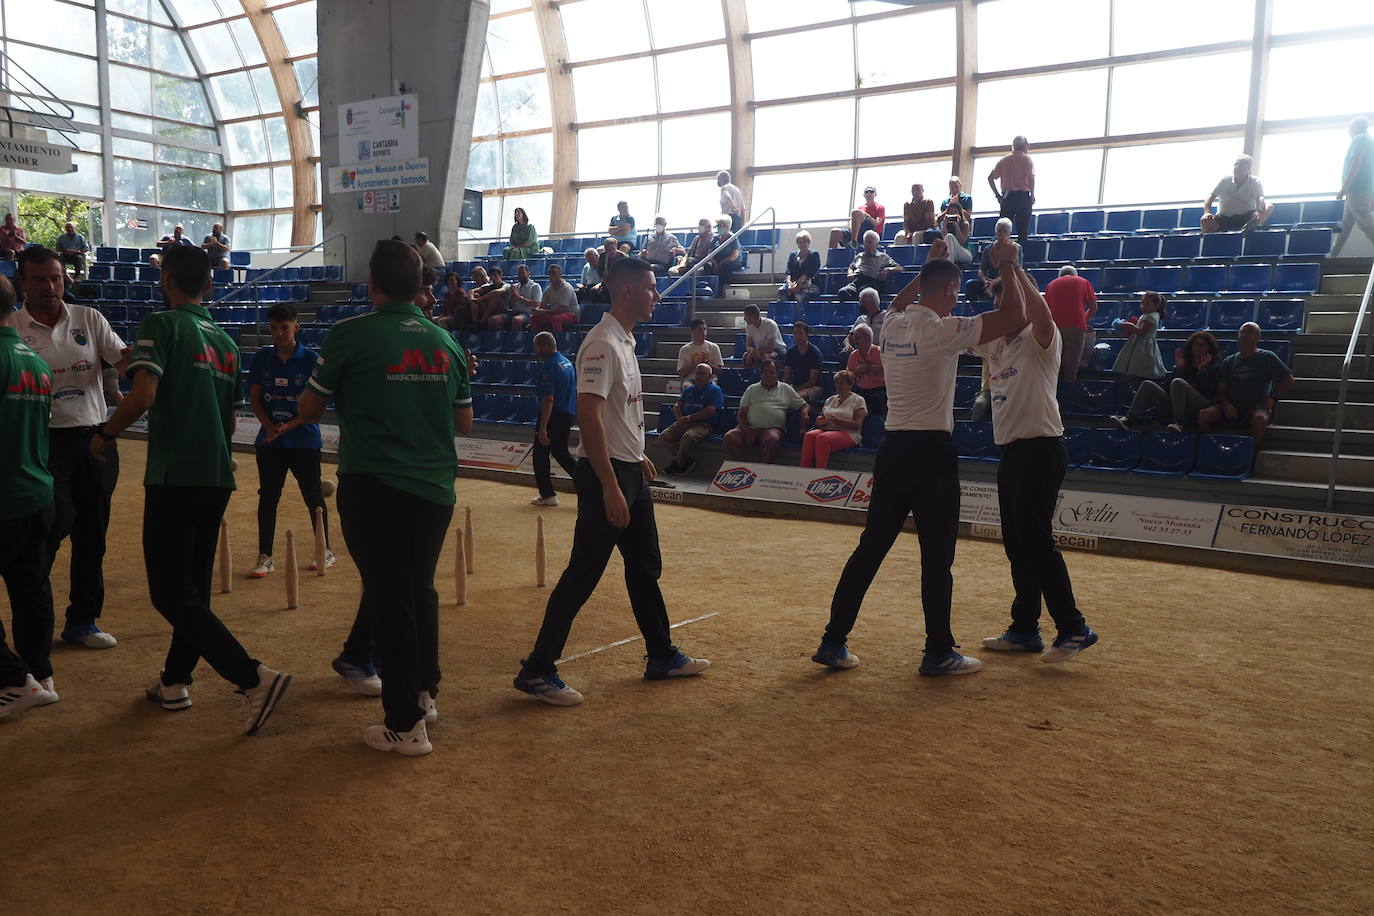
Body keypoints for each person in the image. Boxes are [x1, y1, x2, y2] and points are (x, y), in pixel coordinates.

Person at [93, 244, 291, 735]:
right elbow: (228, 415)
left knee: (168, 592)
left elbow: (143, 394)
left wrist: (104, 434)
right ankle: (176, 680)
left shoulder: (161, 326)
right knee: (193, 588)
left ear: (166, 283)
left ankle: (253, 678)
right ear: (208, 285)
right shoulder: (225, 343)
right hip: (215, 472)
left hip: (175, 473)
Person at [810, 251, 1027, 676]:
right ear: (948, 289)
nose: (957, 298)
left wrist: (929, 266)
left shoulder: (891, 326)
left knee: (870, 549)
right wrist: (1007, 266)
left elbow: (899, 301)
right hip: (930, 454)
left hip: (892, 450)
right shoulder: (942, 330)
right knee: (936, 557)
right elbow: (1015, 315)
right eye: (955, 290)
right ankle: (938, 651)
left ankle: (833, 640)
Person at [296, 239, 472, 756]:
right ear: (420, 287)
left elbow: (309, 408)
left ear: (371, 283)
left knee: (392, 599)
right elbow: (463, 420)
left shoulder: (350, 334)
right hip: (435, 487)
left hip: (374, 483)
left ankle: (404, 723)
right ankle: (425, 692)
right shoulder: (445, 342)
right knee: (419, 590)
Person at [514, 257, 710, 706]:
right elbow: (590, 417)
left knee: (645, 567)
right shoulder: (602, 343)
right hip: (608, 474)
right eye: (651, 287)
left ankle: (661, 654)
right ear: (626, 292)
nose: (657, 295)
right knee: (583, 572)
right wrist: (609, 484)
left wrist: (637, 455)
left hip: (628, 469)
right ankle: (538, 669)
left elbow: (619, 414)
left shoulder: (624, 341)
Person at [973, 248, 1099, 663]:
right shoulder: (995, 345)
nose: (1003, 311)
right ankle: (1025, 628)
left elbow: (1042, 314)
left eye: (1010, 304)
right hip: (1011, 453)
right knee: (1016, 543)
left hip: (1041, 450)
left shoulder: (1041, 338)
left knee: (1036, 542)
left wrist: (1012, 266)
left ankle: (1073, 626)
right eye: (999, 305)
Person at [3, 247, 127, 650]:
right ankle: (36, 622)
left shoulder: (89, 318)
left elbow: (122, 361)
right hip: (44, 444)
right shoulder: (13, 325)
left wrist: (146, 370)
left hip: (95, 439)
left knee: (93, 534)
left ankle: (83, 621)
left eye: (55, 278)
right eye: (39, 279)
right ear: (22, 283)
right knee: (49, 533)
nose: (50, 287)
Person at [0, 273, 60, 718]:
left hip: (5, 497)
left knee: (30, 591)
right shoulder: (33, 361)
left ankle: (15, 679)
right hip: (35, 492)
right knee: (31, 591)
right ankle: (39, 673)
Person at [244, 303, 332, 579]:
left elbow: (316, 407)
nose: (279, 333)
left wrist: (289, 425)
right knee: (268, 498)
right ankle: (265, 557)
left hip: (304, 441)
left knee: (313, 496)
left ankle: (325, 551)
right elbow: (255, 400)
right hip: (269, 442)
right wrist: (270, 427)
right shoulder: (261, 358)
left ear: (297, 327)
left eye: (284, 327)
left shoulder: (311, 360)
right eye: (273, 328)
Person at [1196, 322, 1294, 449]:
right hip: (1230, 405)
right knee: (1204, 415)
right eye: (1242, 332)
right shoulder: (1229, 361)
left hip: (1256, 406)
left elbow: (1288, 379)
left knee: (1260, 420)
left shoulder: (1267, 357)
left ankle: (1248, 457)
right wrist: (1226, 405)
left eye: (1249, 332)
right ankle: (1205, 452)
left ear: (1258, 336)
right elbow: (1221, 389)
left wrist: (1272, 398)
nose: (1245, 335)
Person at [1111, 331, 1222, 432]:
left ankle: (1179, 423)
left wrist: (1202, 371)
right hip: (1176, 405)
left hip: (1199, 406)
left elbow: (1210, 392)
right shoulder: (1184, 365)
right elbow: (1167, 388)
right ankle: (1128, 420)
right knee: (1148, 384)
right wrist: (1179, 369)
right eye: (1196, 344)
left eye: (1202, 345)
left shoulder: (1214, 367)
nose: (1198, 348)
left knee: (1178, 382)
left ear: (1209, 348)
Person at [724, 358, 808, 463]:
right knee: (730, 437)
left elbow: (804, 405)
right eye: (766, 372)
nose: (769, 375)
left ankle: (762, 471)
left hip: (772, 429)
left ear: (777, 374)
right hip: (749, 428)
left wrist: (804, 413)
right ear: (761, 374)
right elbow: (742, 413)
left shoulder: (786, 389)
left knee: (772, 439)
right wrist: (747, 430)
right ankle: (741, 468)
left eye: (772, 372)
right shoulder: (751, 389)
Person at [530, 331, 577, 507]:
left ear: (544, 346)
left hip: (553, 415)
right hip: (567, 413)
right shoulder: (566, 363)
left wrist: (543, 427)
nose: (534, 350)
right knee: (561, 452)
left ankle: (548, 494)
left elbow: (548, 399)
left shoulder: (549, 366)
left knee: (540, 455)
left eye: (536, 346)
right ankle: (588, 488)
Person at [660, 362, 723, 475]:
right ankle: (684, 461)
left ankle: (677, 464)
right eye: (697, 373)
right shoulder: (689, 389)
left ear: (709, 376)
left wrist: (689, 418)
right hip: (683, 421)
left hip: (703, 425)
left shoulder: (715, 390)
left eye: (702, 373)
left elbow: (710, 410)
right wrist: (680, 419)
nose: (698, 376)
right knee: (664, 436)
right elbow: (678, 405)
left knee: (688, 437)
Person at [802, 370, 867, 469]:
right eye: (837, 383)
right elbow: (820, 420)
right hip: (827, 429)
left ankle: (819, 472)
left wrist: (837, 421)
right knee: (809, 435)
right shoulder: (830, 399)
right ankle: (804, 470)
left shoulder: (858, 400)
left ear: (850, 385)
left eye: (842, 383)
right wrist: (820, 422)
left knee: (822, 438)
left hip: (849, 433)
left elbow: (857, 425)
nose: (839, 385)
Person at [1044, 265, 1097, 381]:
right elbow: (1093, 307)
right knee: (1072, 368)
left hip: (1055, 327)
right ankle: (1069, 395)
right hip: (1076, 327)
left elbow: (1046, 310)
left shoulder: (1051, 285)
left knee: (1055, 366)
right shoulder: (1083, 282)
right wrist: (1084, 320)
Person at [1332, 115, 1374, 258]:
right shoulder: (1370, 141)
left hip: (1356, 189)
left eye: (1350, 127)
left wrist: (1344, 187)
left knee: (1366, 223)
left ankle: (1331, 257)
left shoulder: (1359, 140)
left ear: (1355, 127)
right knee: (1344, 228)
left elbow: (1356, 163)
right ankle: (1331, 257)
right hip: (1363, 190)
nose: (1348, 130)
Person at [1201, 154, 1273, 233]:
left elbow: (1260, 198)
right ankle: (1209, 243)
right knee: (1205, 220)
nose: (1237, 167)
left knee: (1269, 206)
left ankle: (1253, 226)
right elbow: (1210, 197)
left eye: (1241, 165)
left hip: (1247, 217)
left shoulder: (1255, 182)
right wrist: (1207, 213)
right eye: (1236, 164)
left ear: (1248, 169)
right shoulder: (1225, 180)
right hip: (1224, 217)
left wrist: (1259, 211)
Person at [988, 135, 1035, 244]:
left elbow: (990, 178)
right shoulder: (1027, 159)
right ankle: (1020, 256)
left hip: (1007, 196)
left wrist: (997, 195)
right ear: (1024, 146)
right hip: (1023, 196)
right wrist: (1032, 195)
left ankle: (1002, 254)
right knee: (1022, 231)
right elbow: (1031, 179)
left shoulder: (1004, 160)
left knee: (1003, 229)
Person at [1112, 291, 1167, 381]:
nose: (1143, 306)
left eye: (1147, 304)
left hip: (1144, 345)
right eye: (1142, 303)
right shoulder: (1148, 315)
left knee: (1140, 365)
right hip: (1140, 342)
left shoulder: (1151, 317)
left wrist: (1130, 325)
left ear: (1156, 306)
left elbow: (1142, 332)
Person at [837, 230, 899, 302]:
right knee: (843, 292)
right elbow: (851, 267)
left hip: (872, 282)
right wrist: (850, 273)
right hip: (856, 281)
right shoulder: (859, 256)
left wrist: (888, 269)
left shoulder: (883, 257)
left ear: (876, 244)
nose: (867, 244)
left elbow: (899, 268)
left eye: (870, 242)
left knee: (864, 293)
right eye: (865, 242)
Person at [846, 322, 886, 418]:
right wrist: (857, 372)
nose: (855, 341)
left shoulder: (880, 352)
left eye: (858, 338)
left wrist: (871, 369)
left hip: (879, 388)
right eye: (854, 338)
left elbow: (890, 369)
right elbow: (847, 378)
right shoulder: (853, 355)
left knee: (877, 399)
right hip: (861, 388)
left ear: (868, 338)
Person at [830, 186, 886, 250]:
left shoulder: (880, 207)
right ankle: (832, 257)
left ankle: (854, 242)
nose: (869, 193)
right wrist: (851, 228)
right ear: (864, 195)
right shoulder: (860, 208)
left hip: (871, 232)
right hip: (857, 232)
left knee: (856, 213)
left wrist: (866, 216)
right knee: (835, 232)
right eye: (867, 192)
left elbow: (876, 223)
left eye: (871, 192)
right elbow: (850, 224)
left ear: (875, 194)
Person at [529, 263, 579, 333]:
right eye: (549, 273)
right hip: (554, 313)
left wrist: (545, 312)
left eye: (553, 273)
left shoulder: (566, 288)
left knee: (556, 319)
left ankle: (558, 340)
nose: (551, 275)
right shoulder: (548, 289)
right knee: (534, 318)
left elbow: (563, 309)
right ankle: (538, 340)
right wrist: (536, 311)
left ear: (560, 274)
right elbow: (542, 305)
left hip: (571, 314)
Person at [784, 321, 824, 402]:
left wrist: (796, 390)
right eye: (795, 333)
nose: (797, 336)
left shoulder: (814, 353)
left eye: (800, 333)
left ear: (806, 334)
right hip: (795, 386)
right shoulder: (790, 352)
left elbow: (813, 381)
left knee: (796, 397)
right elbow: (786, 376)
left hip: (814, 387)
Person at [778, 230, 821, 304]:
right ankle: (785, 313)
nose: (802, 244)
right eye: (800, 242)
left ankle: (799, 314)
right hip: (793, 282)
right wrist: (789, 284)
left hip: (809, 284)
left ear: (808, 243)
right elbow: (788, 271)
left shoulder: (814, 255)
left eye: (805, 242)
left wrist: (798, 285)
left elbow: (809, 272)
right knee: (781, 291)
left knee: (799, 296)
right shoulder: (792, 255)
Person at [503, 263, 542, 331]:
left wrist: (519, 298)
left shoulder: (535, 286)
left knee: (516, 320)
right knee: (493, 320)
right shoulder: (514, 287)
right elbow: (510, 306)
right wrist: (513, 298)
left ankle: (519, 339)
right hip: (514, 312)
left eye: (522, 273)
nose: (520, 275)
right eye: (519, 273)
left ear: (528, 274)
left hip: (528, 313)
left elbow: (537, 304)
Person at [709, 215, 742, 288]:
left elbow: (734, 255)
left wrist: (721, 262)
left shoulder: (733, 238)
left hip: (731, 262)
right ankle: (708, 288)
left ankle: (721, 289)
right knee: (708, 266)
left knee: (725, 267)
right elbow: (709, 254)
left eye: (719, 225)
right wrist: (715, 263)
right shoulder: (715, 238)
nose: (718, 227)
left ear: (727, 226)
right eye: (717, 225)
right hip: (717, 262)